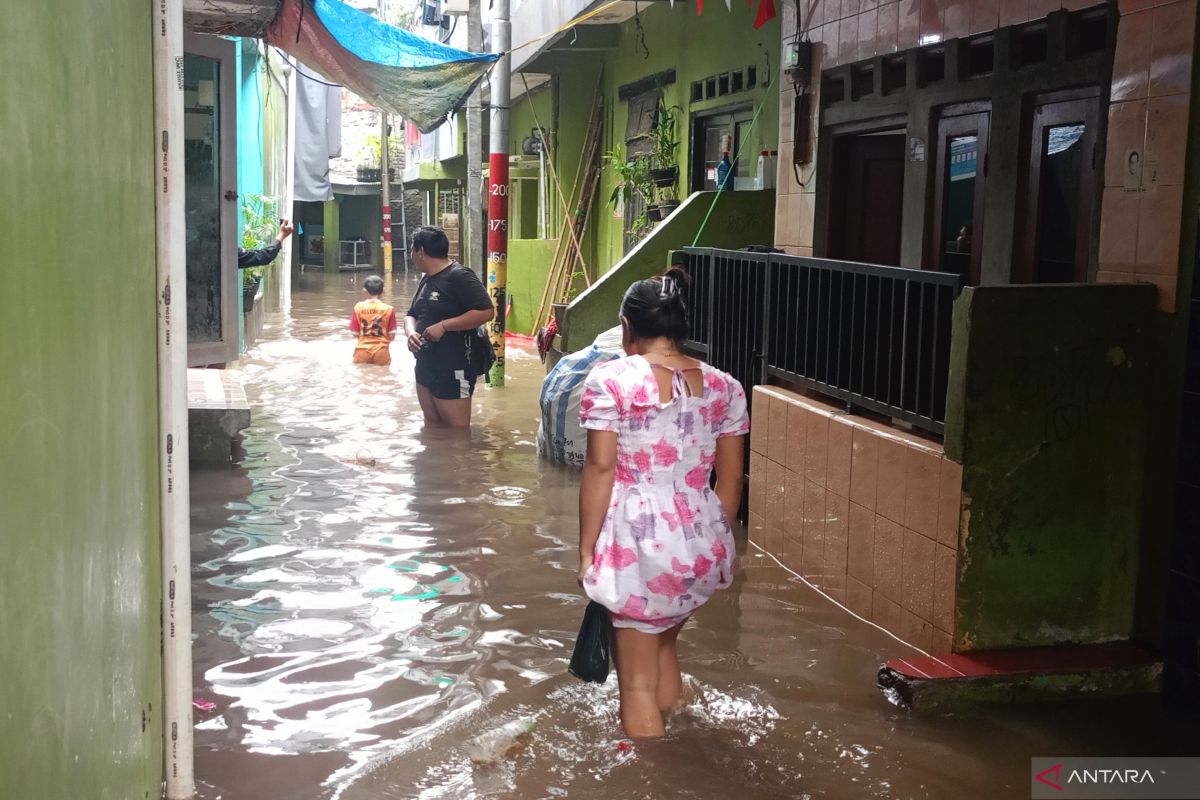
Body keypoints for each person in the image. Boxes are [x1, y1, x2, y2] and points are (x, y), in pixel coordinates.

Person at [577, 266, 750, 738]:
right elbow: (731, 477)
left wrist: (588, 551)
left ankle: (655, 779)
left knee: (634, 685)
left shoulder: (610, 380)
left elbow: (601, 469)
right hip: (701, 541)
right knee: (663, 648)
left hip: (639, 546)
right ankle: (682, 737)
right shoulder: (725, 386)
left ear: (628, 327)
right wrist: (712, 536)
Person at [403, 226, 495, 427]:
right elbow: (411, 314)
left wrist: (444, 326)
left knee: (457, 433)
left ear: (420, 251)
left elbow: (487, 311)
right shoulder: (427, 278)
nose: (411, 255)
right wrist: (410, 333)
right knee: (432, 426)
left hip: (454, 365)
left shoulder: (459, 276)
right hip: (426, 362)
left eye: (412, 250)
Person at [349, 275, 397, 366]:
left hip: (362, 350)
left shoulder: (358, 307)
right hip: (382, 351)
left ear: (364, 291)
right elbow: (392, 335)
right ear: (383, 291)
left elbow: (355, 333)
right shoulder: (389, 309)